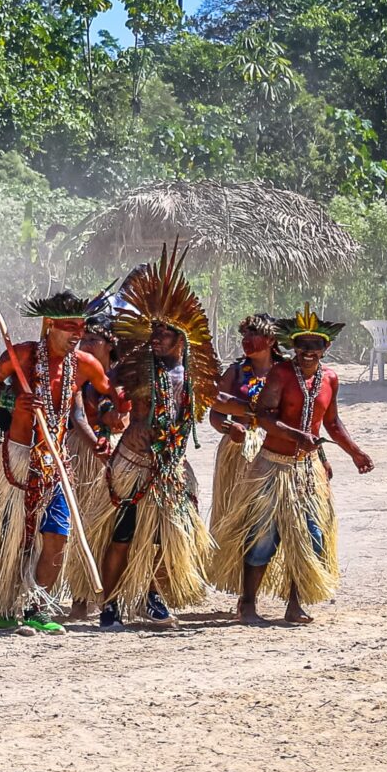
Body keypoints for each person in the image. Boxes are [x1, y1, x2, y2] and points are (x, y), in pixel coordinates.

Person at [0, 291, 122, 635]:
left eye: (80, 328)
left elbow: (107, 396)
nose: (76, 335)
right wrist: (12, 399)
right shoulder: (21, 355)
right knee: (15, 537)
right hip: (18, 458)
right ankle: (7, 606)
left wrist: (113, 416)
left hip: (56, 461)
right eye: (69, 327)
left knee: (56, 536)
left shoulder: (85, 364)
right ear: (49, 325)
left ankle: (39, 608)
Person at [73, 250, 220, 629]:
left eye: (164, 334)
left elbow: (216, 405)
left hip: (170, 467)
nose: (156, 339)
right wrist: (107, 410)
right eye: (153, 332)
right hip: (133, 466)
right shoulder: (139, 364)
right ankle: (109, 603)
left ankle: (152, 596)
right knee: (121, 535)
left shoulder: (192, 375)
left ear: (181, 337)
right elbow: (100, 386)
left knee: (161, 539)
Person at [206, 307, 373, 623]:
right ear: (293, 347)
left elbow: (332, 422)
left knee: (309, 536)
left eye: (315, 347)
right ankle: (249, 604)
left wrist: (354, 453)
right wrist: (297, 436)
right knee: (262, 536)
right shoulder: (280, 375)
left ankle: (295, 605)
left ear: (326, 348)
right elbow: (265, 418)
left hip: (306, 470)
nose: (309, 353)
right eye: (303, 346)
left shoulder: (330, 379)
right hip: (271, 466)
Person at [207, 313, 281, 579]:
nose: (246, 341)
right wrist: (229, 427)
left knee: (264, 517)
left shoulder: (283, 373)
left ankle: (257, 582)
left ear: (271, 340)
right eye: (244, 336)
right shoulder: (235, 372)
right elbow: (215, 413)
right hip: (237, 452)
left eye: (253, 335)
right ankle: (237, 579)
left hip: (273, 450)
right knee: (236, 513)